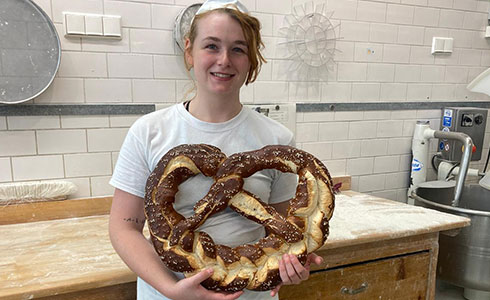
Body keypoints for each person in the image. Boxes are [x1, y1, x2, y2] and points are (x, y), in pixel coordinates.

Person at [108, 1, 323, 299]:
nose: (224, 60)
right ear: (189, 51)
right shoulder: (149, 132)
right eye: (211, 46)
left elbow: (287, 230)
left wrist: (292, 262)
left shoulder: (277, 138)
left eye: (238, 49)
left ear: (251, 60)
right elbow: (123, 228)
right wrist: (172, 289)